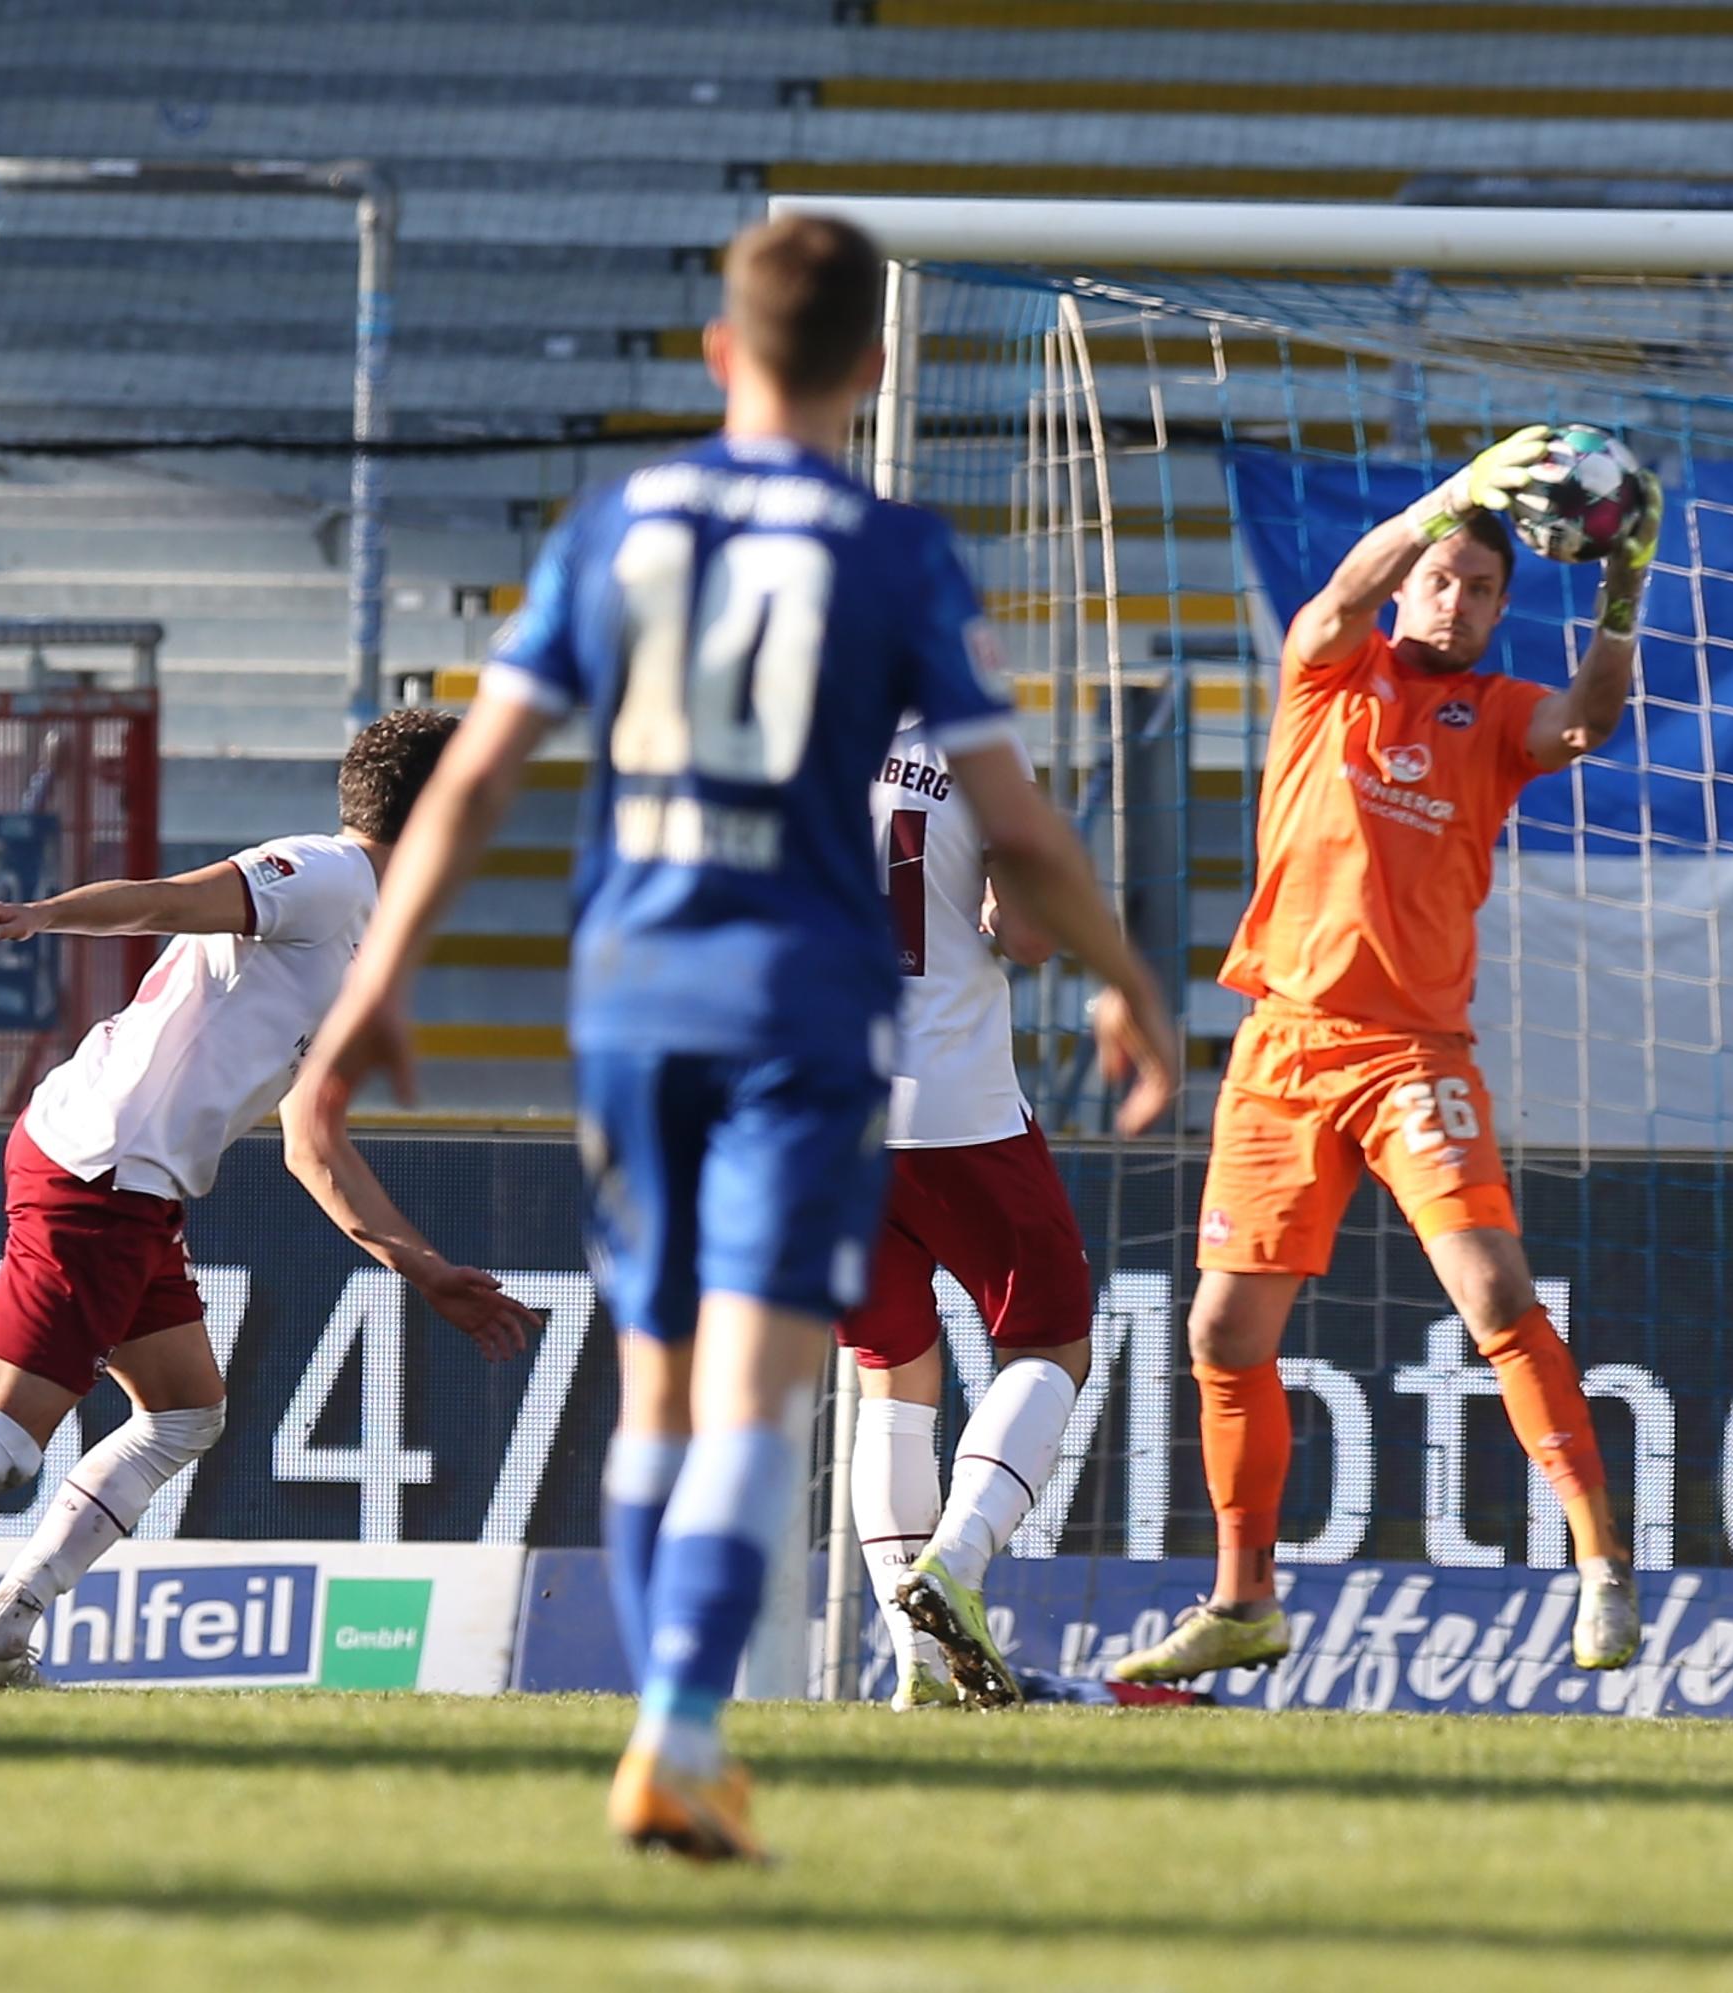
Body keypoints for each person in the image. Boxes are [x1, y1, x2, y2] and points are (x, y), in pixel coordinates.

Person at [293, 212, 1179, 1863]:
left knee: (664, 1392)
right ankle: (686, 1740)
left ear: (717, 354)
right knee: (767, 1387)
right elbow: (1019, 827)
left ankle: (675, 1725)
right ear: (872, 366)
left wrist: (371, 990)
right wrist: (1128, 976)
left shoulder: (621, 522)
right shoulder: (893, 550)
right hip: (802, 1022)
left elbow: (477, 771)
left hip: (634, 1005)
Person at [0, 710, 537, 1687]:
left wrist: (421, 1269)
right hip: (104, 1168)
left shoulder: (361, 934)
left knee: (183, 1414)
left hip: (130, 1178)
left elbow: (311, 1141)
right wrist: (47, 913)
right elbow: (175, 900)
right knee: (1, 1441)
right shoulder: (331, 877)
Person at [1111, 427, 1658, 1687]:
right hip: (1279, 1049)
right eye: (1440, 580)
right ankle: (1244, 1599)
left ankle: (1598, 1564)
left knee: (1495, 1298)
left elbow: (1588, 721)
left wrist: (1619, 592)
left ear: (1499, 611)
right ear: (1410, 581)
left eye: (1479, 590)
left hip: (1409, 1055)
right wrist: (1456, 496)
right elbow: (1338, 597)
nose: (1453, 602)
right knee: (1223, 1332)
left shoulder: (1496, 712)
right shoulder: (1327, 672)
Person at [841, 714, 1166, 1712]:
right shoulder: (964, 745)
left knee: (891, 1374)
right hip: (953, 1104)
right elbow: (1023, 934)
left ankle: (918, 1664)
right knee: (1050, 1341)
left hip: (818, 1110)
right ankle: (955, 1560)